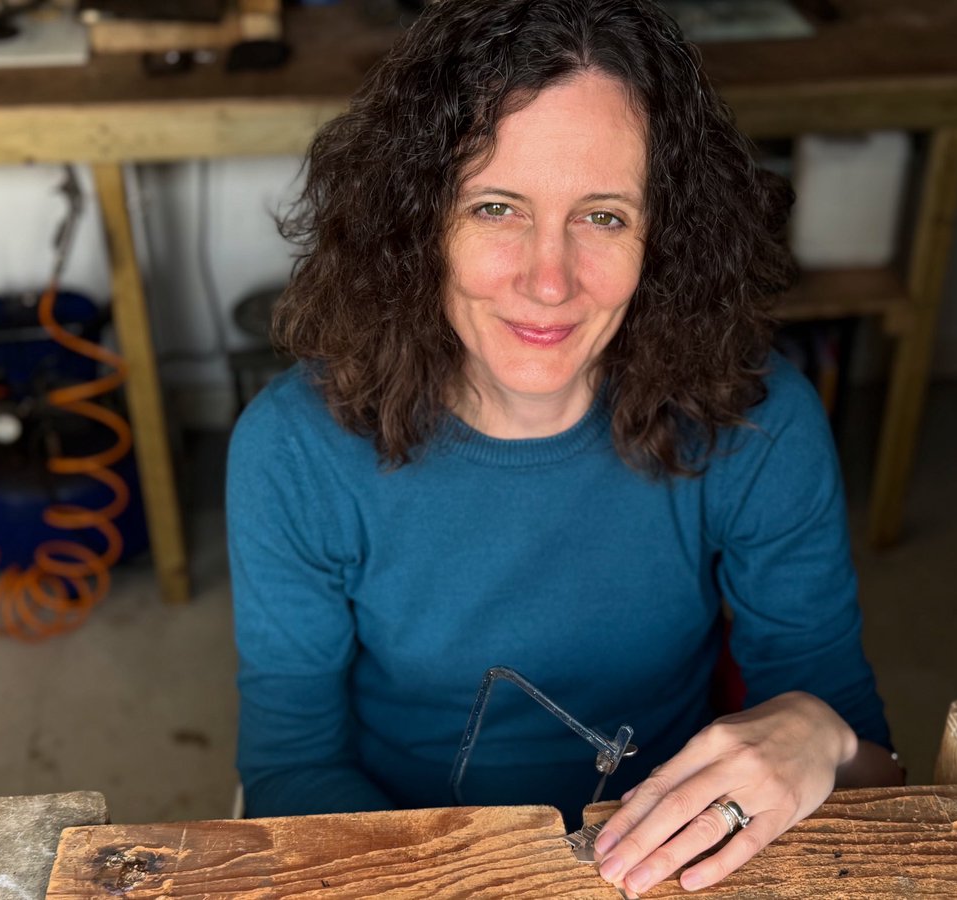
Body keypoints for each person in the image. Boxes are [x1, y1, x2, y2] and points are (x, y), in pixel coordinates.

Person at [226, 0, 903, 894]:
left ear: (666, 238)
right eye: (497, 206)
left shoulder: (758, 420)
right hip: (403, 867)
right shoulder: (293, 450)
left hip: (672, 870)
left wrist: (820, 733)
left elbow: (881, 783)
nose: (549, 280)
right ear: (416, 221)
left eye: (604, 217)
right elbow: (290, 771)